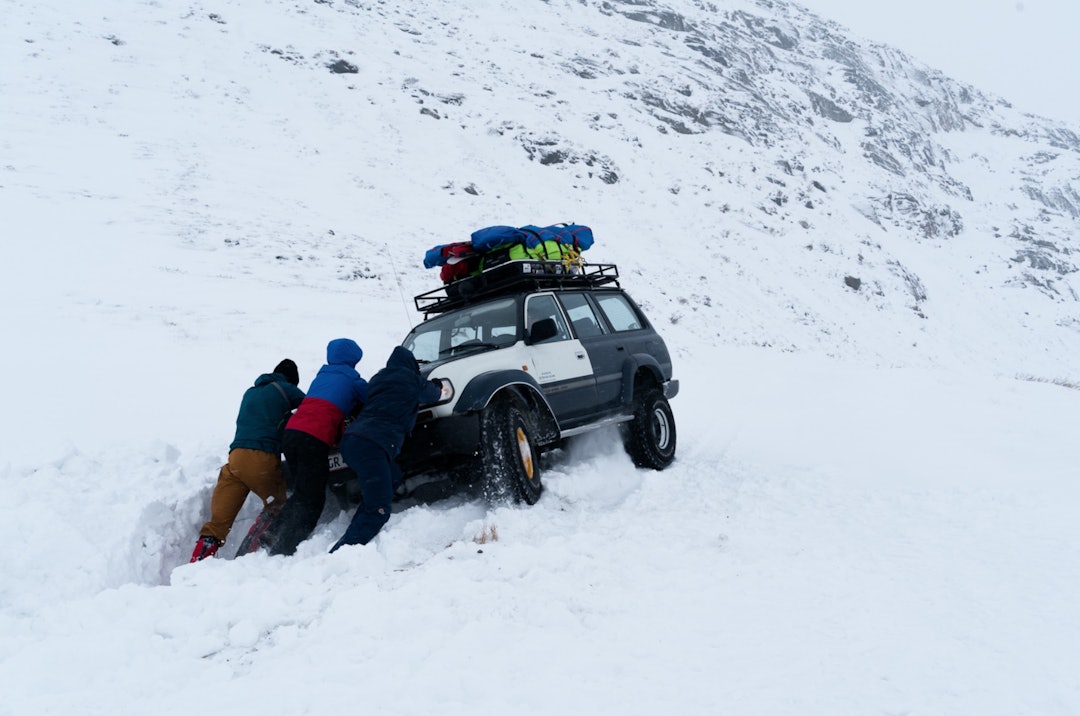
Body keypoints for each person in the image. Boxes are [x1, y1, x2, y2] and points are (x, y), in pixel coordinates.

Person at [190, 359, 305, 562]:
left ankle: (195, 567)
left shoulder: (250, 392)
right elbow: (311, 408)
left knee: (216, 526)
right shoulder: (285, 388)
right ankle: (247, 558)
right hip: (260, 460)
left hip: (234, 461)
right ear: (291, 380)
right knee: (277, 505)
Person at [329, 346, 443, 553]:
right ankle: (342, 552)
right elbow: (433, 394)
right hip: (372, 444)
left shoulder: (376, 380)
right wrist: (435, 384)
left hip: (352, 440)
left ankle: (363, 517)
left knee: (392, 477)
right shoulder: (411, 379)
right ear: (411, 365)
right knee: (378, 510)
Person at [265, 338, 369, 556]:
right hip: (312, 439)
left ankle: (273, 532)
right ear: (354, 358)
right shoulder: (353, 380)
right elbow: (372, 400)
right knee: (313, 498)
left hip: (291, 435)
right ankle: (288, 546)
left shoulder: (320, 377)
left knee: (303, 491)